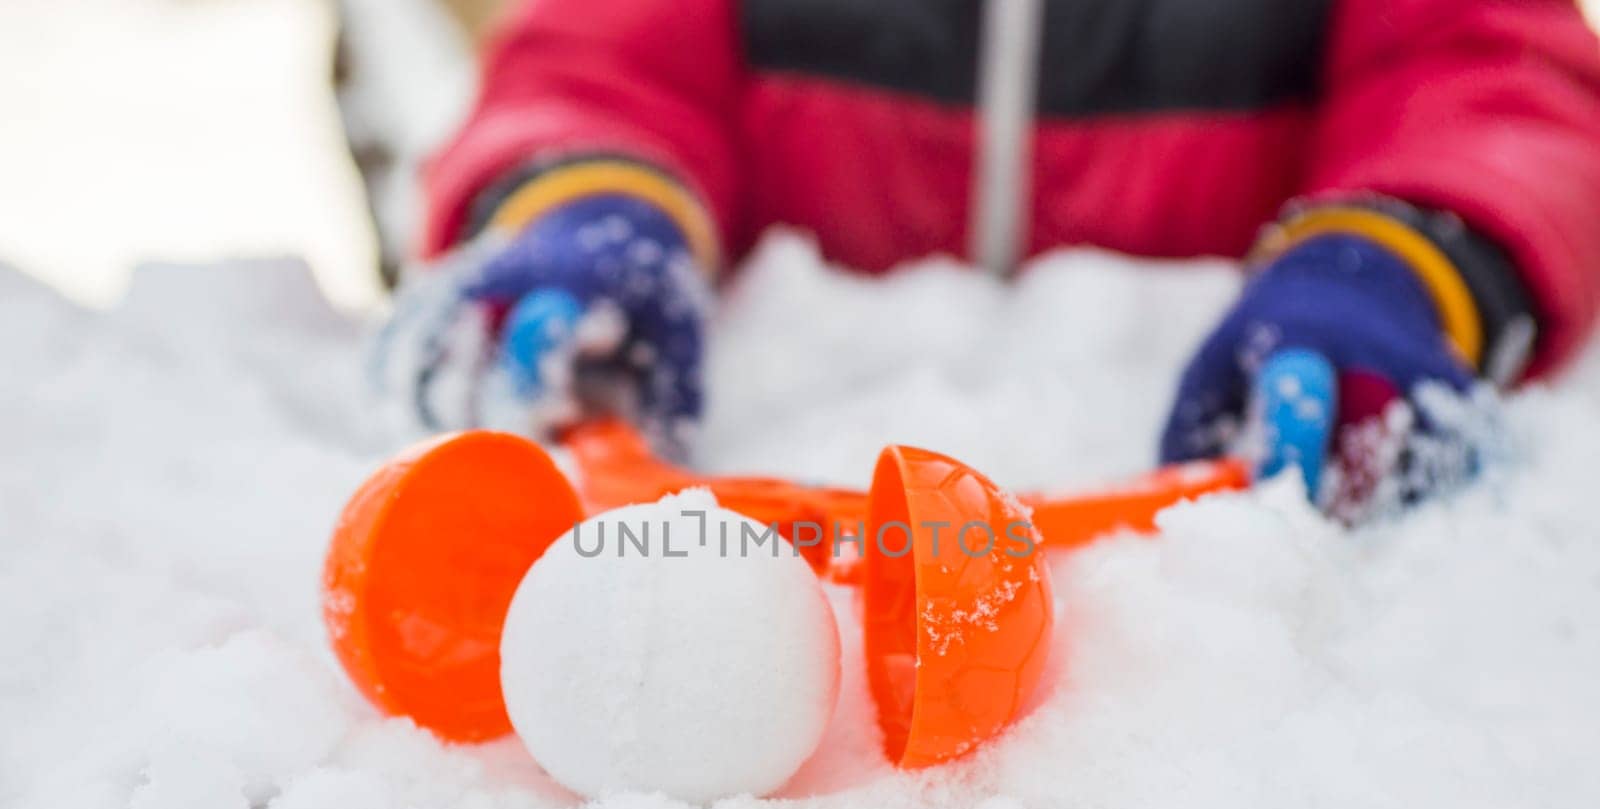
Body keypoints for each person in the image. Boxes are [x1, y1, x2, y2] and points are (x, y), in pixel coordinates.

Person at [383, 0, 1600, 508]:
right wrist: (590, 202)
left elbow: (1488, 74)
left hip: (1219, 501)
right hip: (777, 424)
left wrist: (1406, 260)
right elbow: (605, 60)